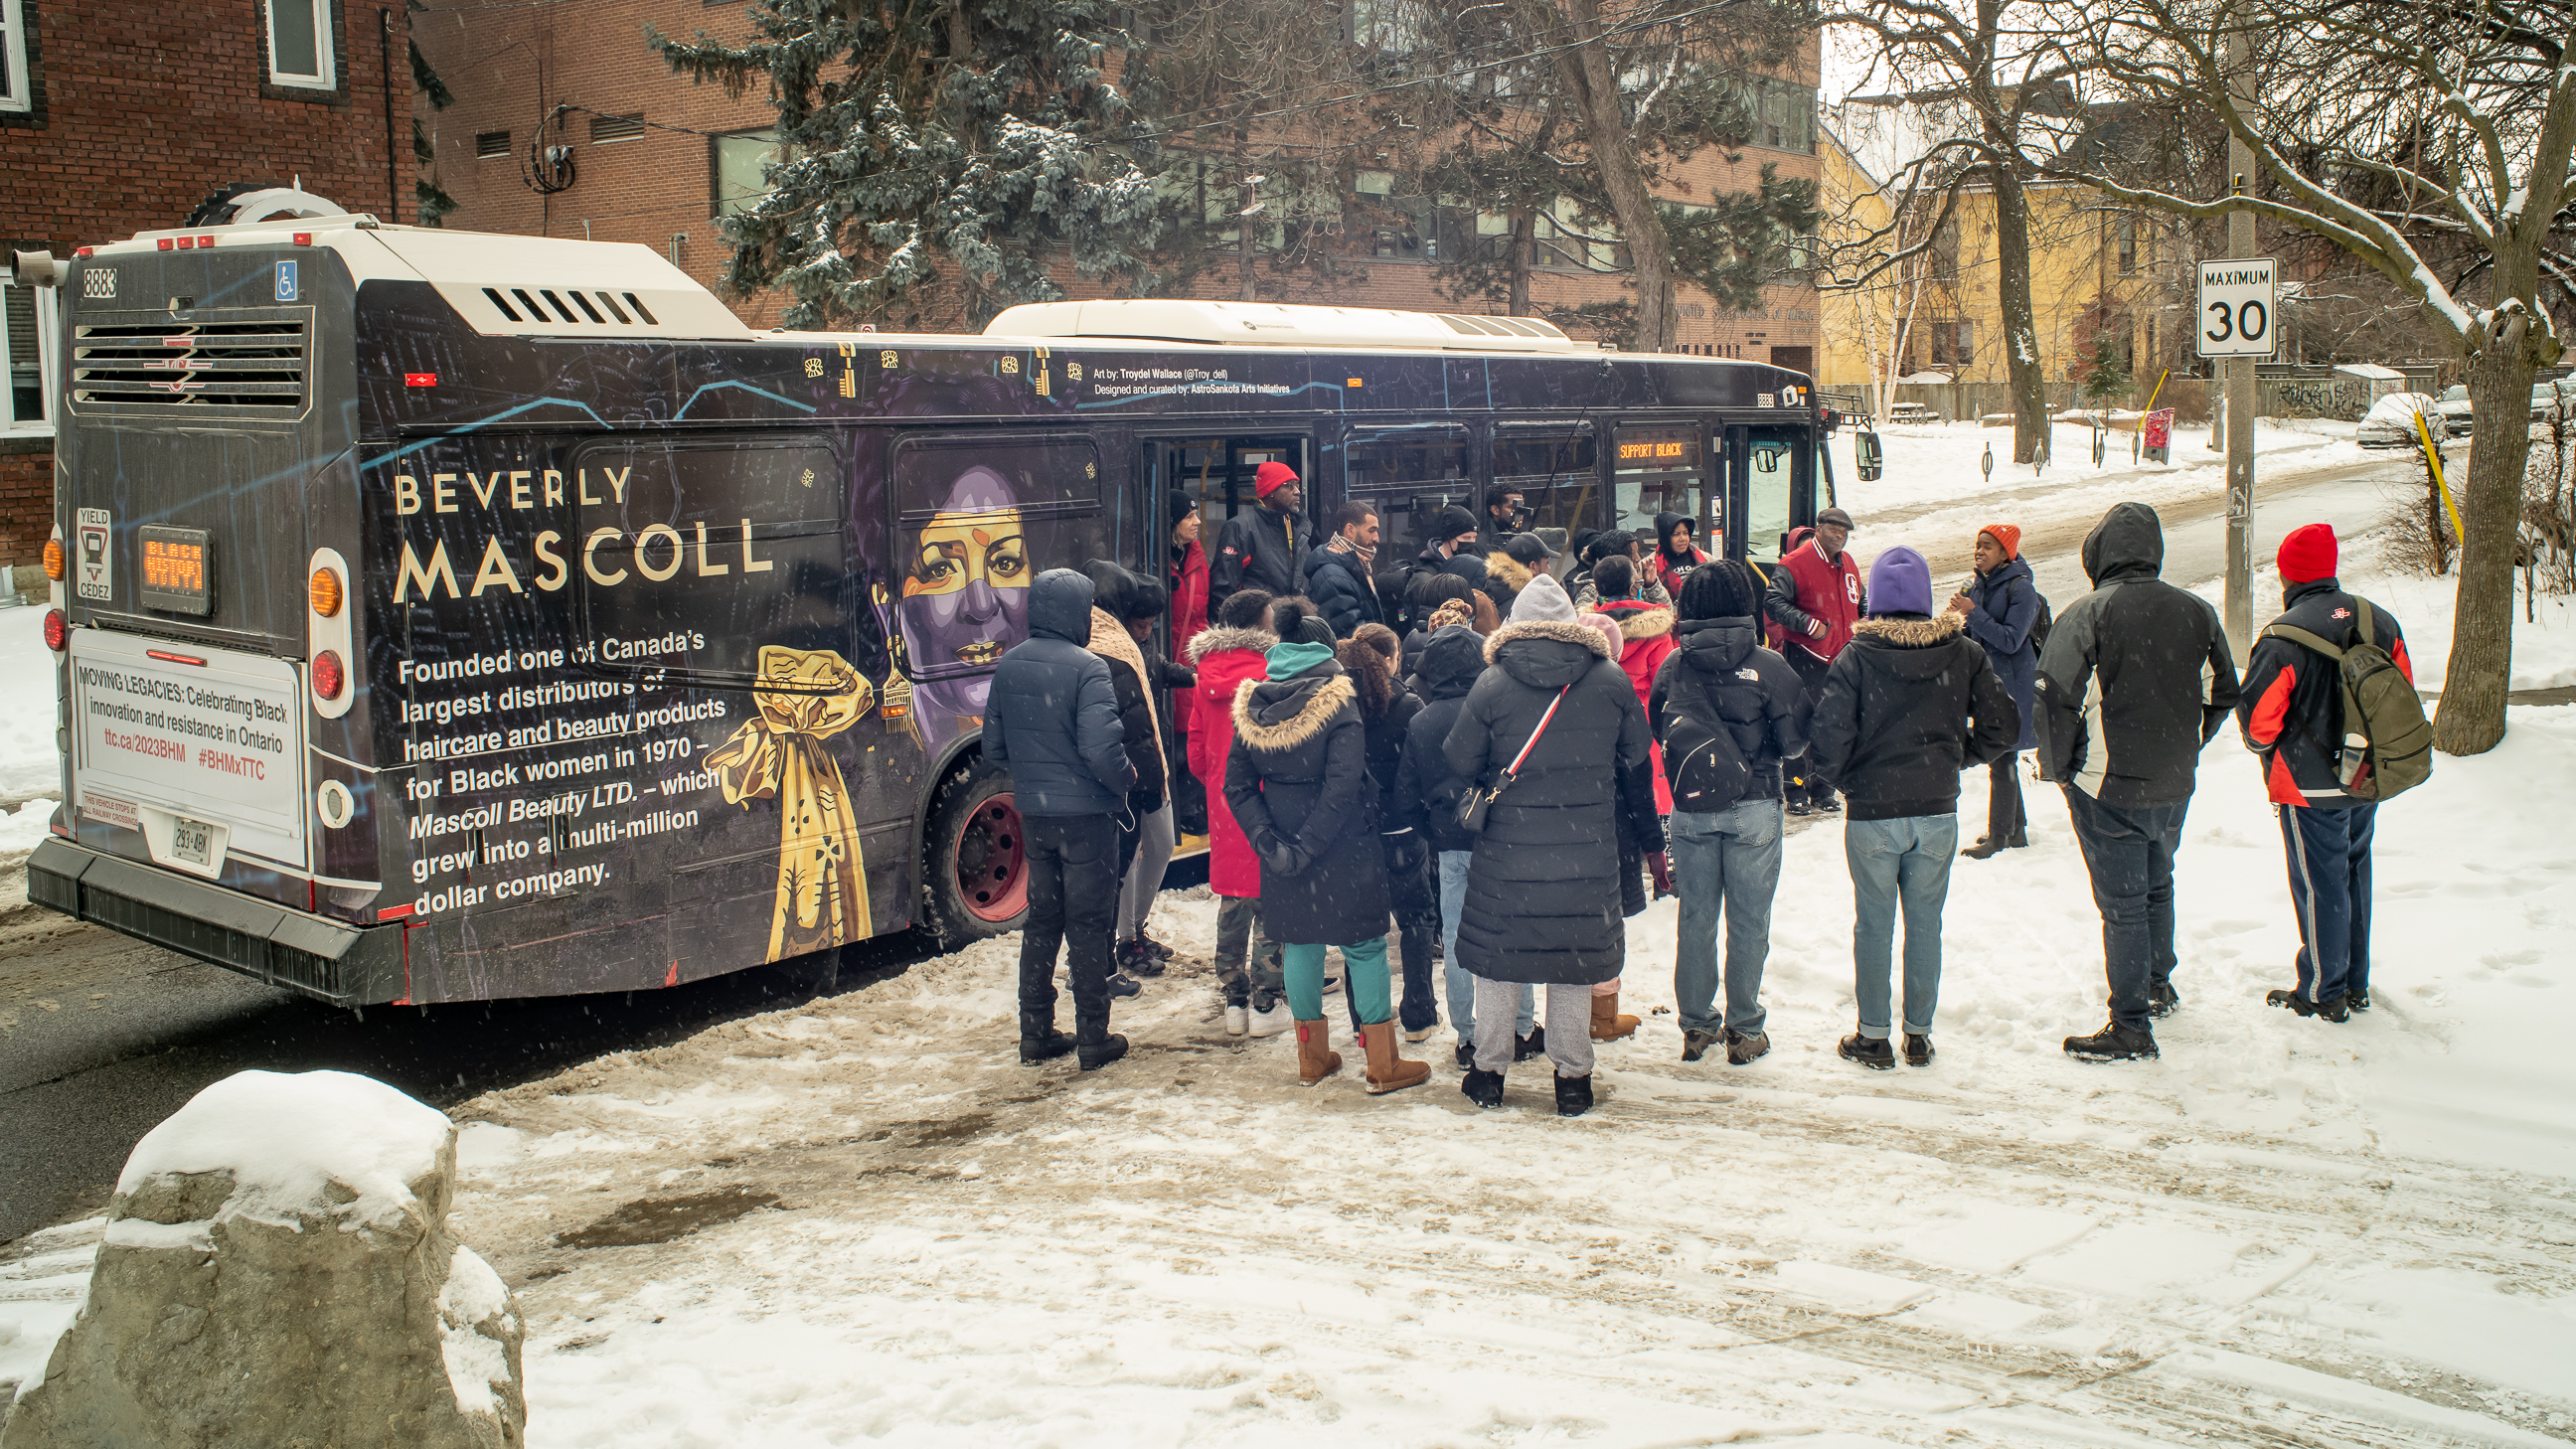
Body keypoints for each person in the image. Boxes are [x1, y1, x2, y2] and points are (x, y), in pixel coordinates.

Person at [1444, 573, 1658, 1117]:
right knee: (1574, 960)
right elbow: (1636, 750)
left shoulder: (1492, 683)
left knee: (1499, 959)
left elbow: (1459, 759)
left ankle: (1489, 1072)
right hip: (1583, 850)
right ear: (1571, 624)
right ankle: (1572, 1080)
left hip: (1508, 851)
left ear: (1517, 625)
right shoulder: (1609, 680)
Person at [2039, 503, 2243, 1063]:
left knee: (2124, 903)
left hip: (2107, 785)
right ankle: (2157, 983)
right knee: (2159, 883)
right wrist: (2189, 743)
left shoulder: (2088, 614)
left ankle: (2130, 1023)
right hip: (2173, 781)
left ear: (2099, 553)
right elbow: (2223, 690)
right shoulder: (2197, 612)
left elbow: (2054, 697)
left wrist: (2063, 771)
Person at [1809, 546, 2015, 1070]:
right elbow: (2003, 727)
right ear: (1926, 599)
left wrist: (1847, 779)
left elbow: (1828, 739)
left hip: (1873, 814)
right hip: (1936, 810)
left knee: (1873, 925)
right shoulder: (1964, 653)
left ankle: (1873, 1036)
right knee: (1926, 924)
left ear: (1873, 600)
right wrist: (1956, 758)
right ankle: (1919, 1035)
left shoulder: (1855, 657)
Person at [1224, 634, 1432, 1094]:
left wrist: (1270, 842)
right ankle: (1382, 1063)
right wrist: (1310, 844)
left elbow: (1236, 787)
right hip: (1343, 844)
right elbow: (1343, 785)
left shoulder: (1251, 707)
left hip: (1281, 846)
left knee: (1301, 944)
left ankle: (1311, 1060)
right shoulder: (1339, 703)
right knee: (1365, 946)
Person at [2236, 524, 2410, 1023]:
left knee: (2319, 884)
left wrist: (2265, 747)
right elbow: (2399, 696)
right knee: (2355, 873)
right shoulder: (2379, 621)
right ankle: (2353, 982)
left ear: (2288, 573)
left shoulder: (2283, 635)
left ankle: (2322, 990)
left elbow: (2259, 724)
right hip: (2368, 778)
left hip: (2308, 784)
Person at [1652, 562, 1810, 1065]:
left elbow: (1662, 729)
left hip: (1691, 807)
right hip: (1756, 805)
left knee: (1695, 918)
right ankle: (1745, 1030)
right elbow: (1795, 740)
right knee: (1749, 920)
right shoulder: (1768, 665)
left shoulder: (1675, 666)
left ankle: (1697, 1026)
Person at [983, 568, 1137, 1070]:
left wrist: (1039, 775)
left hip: (1037, 816)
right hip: (1088, 817)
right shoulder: (1088, 668)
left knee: (1043, 921)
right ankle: (1094, 1037)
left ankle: (1036, 1032)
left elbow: (994, 747)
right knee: (1089, 925)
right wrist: (1125, 780)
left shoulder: (1009, 666)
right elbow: (1102, 749)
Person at [1394, 622, 1539, 1069]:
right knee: (1513, 930)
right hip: (1502, 837)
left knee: (1457, 937)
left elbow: (1406, 795)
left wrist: (1434, 830)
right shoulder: (1498, 710)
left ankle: (1468, 1034)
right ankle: (1520, 1026)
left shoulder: (1421, 719)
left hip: (1450, 843)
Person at [1083, 563, 1192, 984]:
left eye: (1151, 626)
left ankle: (1136, 927)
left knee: (1162, 845)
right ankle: (1125, 938)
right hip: (1129, 771)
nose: (1146, 632)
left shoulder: (1138, 647)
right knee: (1125, 860)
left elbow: (1161, 669)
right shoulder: (1106, 650)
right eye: (1141, 625)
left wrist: (1195, 677)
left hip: (1152, 763)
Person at [1189, 589, 1289, 1037]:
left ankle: (1234, 997)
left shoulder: (1203, 676)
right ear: (1259, 625)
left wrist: (1217, 780)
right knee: (1270, 895)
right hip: (1266, 798)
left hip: (1223, 799)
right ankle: (1267, 1002)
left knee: (1233, 895)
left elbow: (1194, 750)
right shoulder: (1272, 673)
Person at [1342, 624, 1441, 1043]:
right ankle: (1418, 1013)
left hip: (1354, 834)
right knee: (1417, 919)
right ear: (1389, 661)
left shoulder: (1336, 707)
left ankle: (1363, 1019)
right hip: (1402, 829)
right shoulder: (1409, 705)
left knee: (1360, 927)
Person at [1951, 524, 2041, 859]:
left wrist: (1974, 614)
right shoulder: (1977, 585)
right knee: (2003, 757)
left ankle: (2000, 837)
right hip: (1988, 683)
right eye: (1978, 545)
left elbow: (2010, 640)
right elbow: (1975, 639)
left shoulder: (2021, 590)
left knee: (2001, 758)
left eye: (1988, 546)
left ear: (2006, 553)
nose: (1979, 551)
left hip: (2013, 686)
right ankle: (2015, 831)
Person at [1768, 507, 1866, 815]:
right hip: (1807, 656)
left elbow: (1859, 599)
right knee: (1801, 726)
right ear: (1818, 528)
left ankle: (1824, 789)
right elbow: (1773, 602)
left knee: (1834, 727)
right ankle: (1795, 789)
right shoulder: (1794, 563)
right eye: (1834, 529)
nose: (1840, 535)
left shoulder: (1848, 563)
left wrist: (1861, 624)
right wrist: (1809, 624)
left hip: (1842, 656)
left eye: (1845, 532)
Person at [1209, 460, 1312, 609]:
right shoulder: (1239, 527)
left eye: (1296, 485)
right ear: (1271, 491)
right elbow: (1223, 587)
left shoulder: (1300, 526)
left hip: (1293, 623)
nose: (1297, 491)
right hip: (1258, 626)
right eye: (1289, 485)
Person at [1304, 501, 1384, 638]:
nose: (1377, 538)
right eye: (1371, 530)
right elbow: (1354, 639)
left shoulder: (1352, 566)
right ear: (1350, 530)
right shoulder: (1334, 576)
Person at [1401, 505, 1484, 620]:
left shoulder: (1470, 567)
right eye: (1466, 538)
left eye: (1474, 538)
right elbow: (1420, 622)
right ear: (1448, 537)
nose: (1471, 543)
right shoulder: (1424, 578)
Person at [1568, 531, 1673, 610]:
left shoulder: (1638, 584)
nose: (1638, 558)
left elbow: (1667, 613)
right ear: (1615, 558)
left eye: (1637, 552)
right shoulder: (1592, 592)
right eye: (1632, 553)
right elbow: (1585, 627)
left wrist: (1652, 585)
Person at [1481, 532, 1555, 618]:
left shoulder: (1495, 590)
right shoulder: (1526, 604)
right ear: (1533, 567)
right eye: (1546, 563)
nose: (1549, 568)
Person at [1651, 513, 1710, 597]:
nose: (1682, 538)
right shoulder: (1650, 565)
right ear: (1666, 537)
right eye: (1676, 534)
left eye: (1685, 533)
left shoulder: (1705, 558)